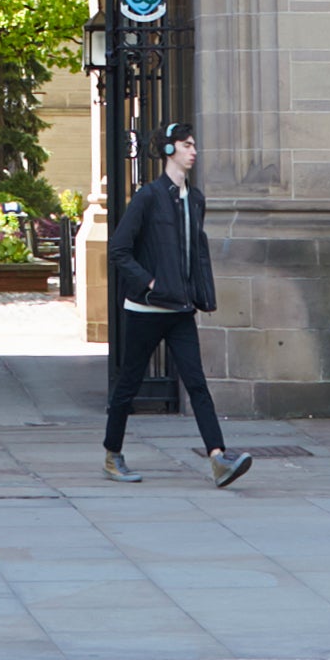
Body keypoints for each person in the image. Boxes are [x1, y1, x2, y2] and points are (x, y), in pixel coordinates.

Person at [103, 126, 252, 487]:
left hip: (181, 310)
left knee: (197, 383)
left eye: (195, 145)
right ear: (169, 149)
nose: (194, 152)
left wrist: (198, 292)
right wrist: (151, 283)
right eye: (187, 145)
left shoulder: (195, 199)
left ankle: (218, 457)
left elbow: (194, 252)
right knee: (129, 384)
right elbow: (119, 250)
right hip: (145, 311)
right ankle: (112, 454)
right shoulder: (148, 197)